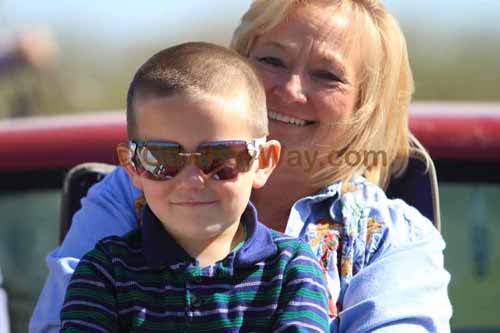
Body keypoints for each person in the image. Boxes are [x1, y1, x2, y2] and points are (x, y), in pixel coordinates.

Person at [31, 1, 452, 332]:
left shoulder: (392, 238)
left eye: (326, 75)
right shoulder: (132, 190)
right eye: (272, 60)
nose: (290, 89)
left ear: (364, 105)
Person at [59, 42, 330, 332]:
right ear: (132, 166)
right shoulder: (104, 273)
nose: (190, 181)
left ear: (262, 162)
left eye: (220, 158)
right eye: (161, 158)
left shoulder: (291, 270)